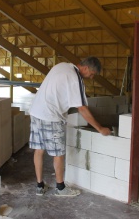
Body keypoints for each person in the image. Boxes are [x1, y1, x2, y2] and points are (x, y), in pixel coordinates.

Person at [28, 56, 111, 197]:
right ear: (85, 68)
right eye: (91, 74)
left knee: (39, 150)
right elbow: (82, 108)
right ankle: (60, 189)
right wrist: (100, 128)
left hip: (36, 111)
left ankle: (39, 186)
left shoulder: (62, 66)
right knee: (58, 153)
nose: (91, 78)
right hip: (50, 116)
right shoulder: (75, 77)